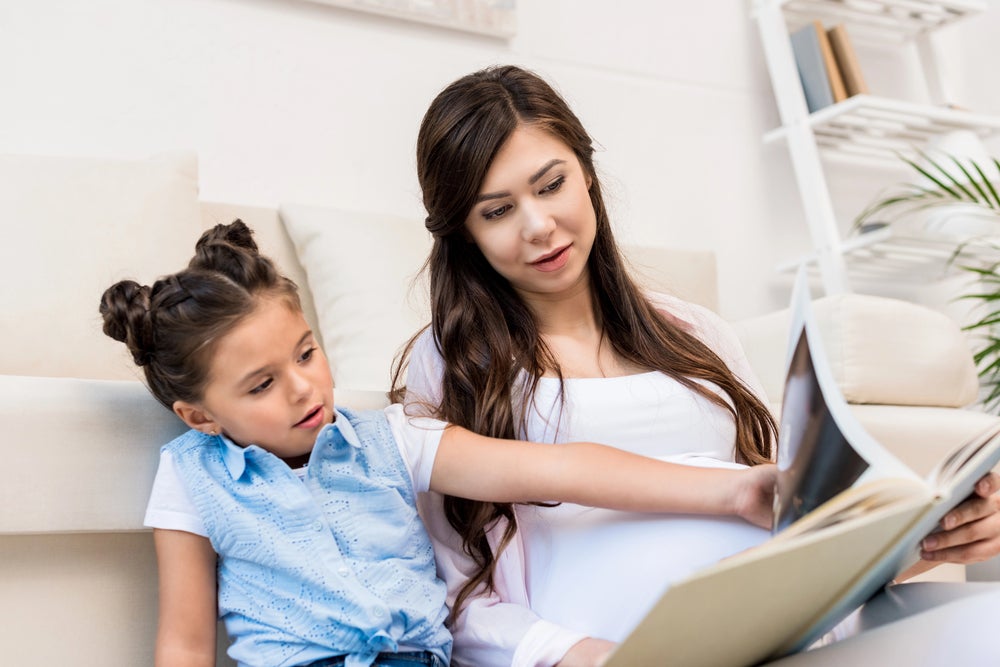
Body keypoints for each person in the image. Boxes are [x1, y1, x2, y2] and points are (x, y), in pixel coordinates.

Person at [393, 64, 1000, 667]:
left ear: (587, 175)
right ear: (465, 233)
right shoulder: (455, 365)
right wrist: (582, 655)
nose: (538, 225)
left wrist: (936, 540)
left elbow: (797, 518)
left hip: (792, 623)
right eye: (496, 211)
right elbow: (452, 592)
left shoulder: (693, 332)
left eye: (551, 184)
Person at [101, 220, 778, 667]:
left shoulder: (393, 437)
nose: (305, 388)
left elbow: (564, 467)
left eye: (307, 353)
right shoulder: (191, 477)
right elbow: (185, 643)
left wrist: (733, 487)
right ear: (200, 416)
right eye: (262, 385)